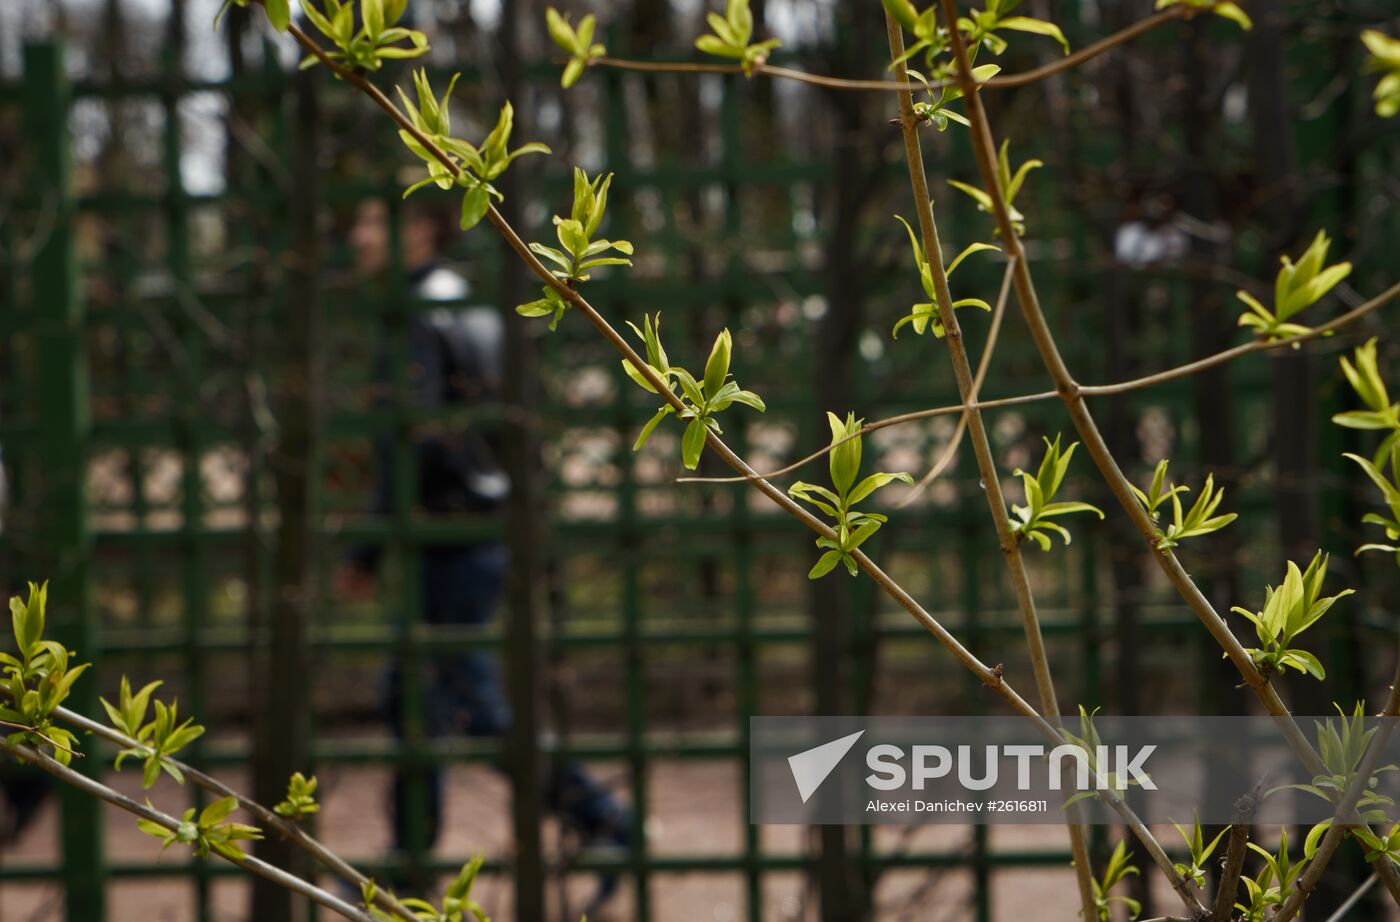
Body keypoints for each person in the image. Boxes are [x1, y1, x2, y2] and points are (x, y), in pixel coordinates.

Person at [339, 198, 630, 910]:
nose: (357, 235)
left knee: (459, 702)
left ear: (421, 228)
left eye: (372, 221)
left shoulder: (420, 314)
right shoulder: (467, 307)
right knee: (424, 698)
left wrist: (368, 547)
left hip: (447, 538)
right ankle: (412, 863)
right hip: (476, 533)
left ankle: (603, 819)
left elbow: (414, 440)